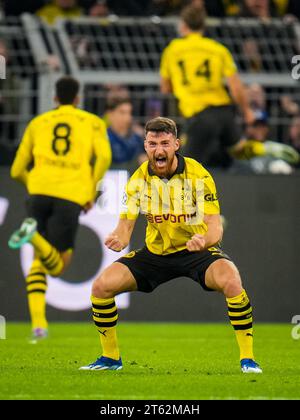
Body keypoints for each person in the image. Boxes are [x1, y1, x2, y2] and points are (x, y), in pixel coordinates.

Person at [80, 117, 262, 374]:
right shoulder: (138, 180)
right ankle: (110, 358)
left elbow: (215, 227)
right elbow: (126, 225)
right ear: (145, 145)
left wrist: (204, 241)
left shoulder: (198, 175)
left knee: (231, 280)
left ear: (177, 144)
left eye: (165, 143)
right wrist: (119, 237)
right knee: (101, 287)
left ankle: (248, 359)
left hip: (195, 250)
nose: (159, 150)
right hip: (156, 254)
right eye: (153, 144)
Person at [8, 76, 112, 342]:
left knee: (38, 262)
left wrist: (35, 184)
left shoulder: (37, 123)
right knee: (57, 267)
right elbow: (104, 157)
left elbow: (16, 170)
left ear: (55, 98)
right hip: (69, 194)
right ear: (77, 99)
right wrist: (89, 190)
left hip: (38, 192)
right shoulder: (92, 122)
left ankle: (39, 325)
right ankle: (33, 237)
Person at [160, 4, 266, 168]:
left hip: (201, 116)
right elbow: (236, 88)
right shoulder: (218, 49)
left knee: (183, 167)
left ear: (183, 25)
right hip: (225, 114)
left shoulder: (172, 50)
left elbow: (166, 88)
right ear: (203, 26)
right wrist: (247, 112)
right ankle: (267, 150)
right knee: (238, 153)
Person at [105, 98, 147, 172]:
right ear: (110, 114)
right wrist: (137, 162)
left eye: (129, 113)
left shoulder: (137, 138)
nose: (127, 117)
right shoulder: (104, 138)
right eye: (122, 113)